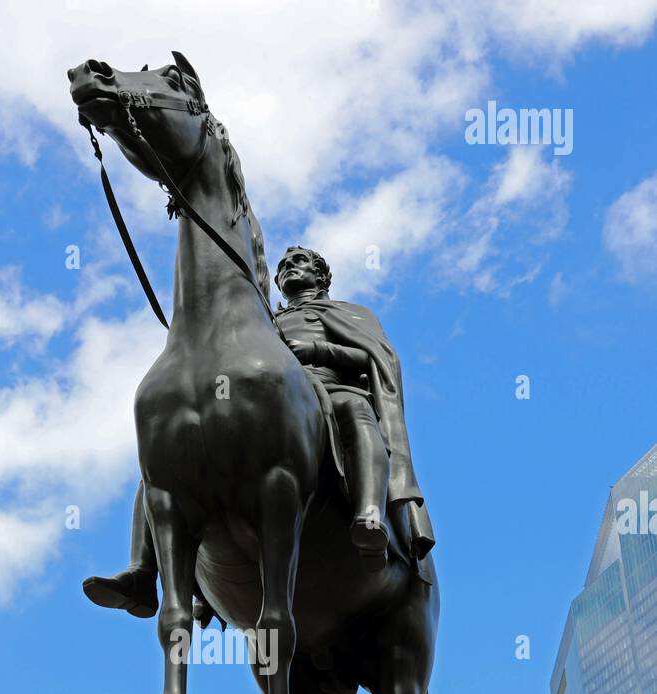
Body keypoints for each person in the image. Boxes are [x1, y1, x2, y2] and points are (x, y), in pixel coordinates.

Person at [83, 245, 435, 619]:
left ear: (322, 276)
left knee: (357, 410)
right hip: (268, 400)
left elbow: (374, 360)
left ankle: (369, 515)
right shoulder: (264, 319)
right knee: (168, 456)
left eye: (299, 263)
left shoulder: (349, 314)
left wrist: (316, 350)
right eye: (282, 267)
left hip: (328, 391)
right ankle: (143, 572)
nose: (288, 269)